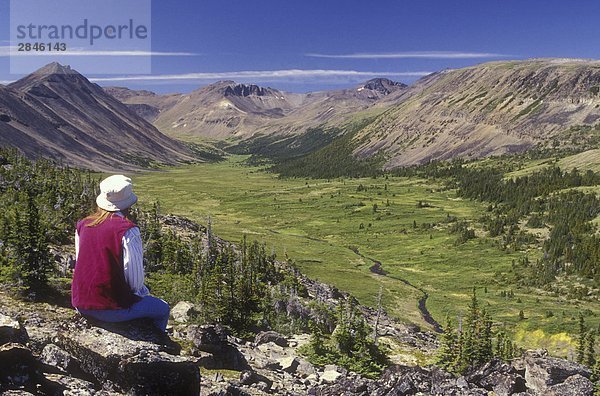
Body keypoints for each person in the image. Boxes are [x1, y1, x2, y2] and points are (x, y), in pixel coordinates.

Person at [71, 174, 170, 332]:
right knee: (162, 309)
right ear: (127, 204)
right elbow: (135, 281)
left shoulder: (82, 224)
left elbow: (81, 261)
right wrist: (140, 296)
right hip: (111, 308)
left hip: (80, 303)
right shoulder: (128, 230)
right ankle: (159, 342)